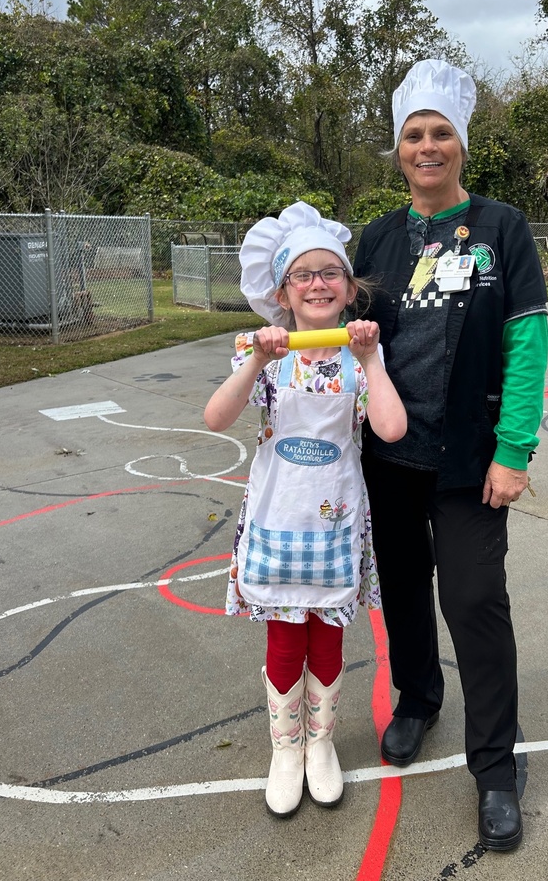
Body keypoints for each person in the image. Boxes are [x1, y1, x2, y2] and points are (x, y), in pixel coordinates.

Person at [353, 60, 548, 851]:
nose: (426, 147)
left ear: (461, 146)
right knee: (402, 589)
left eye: (440, 134)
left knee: (472, 600)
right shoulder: (374, 238)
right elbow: (342, 329)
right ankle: (418, 697)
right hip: (391, 458)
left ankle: (497, 768)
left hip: (471, 458)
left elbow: (527, 344)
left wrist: (515, 449)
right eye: (413, 135)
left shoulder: (502, 230)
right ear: (398, 150)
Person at [204, 201, 406, 819]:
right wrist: (261, 358)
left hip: (336, 525)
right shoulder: (262, 354)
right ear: (282, 290)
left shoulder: (356, 357)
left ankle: (322, 746)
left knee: (328, 639)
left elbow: (392, 430)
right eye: (303, 274)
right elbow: (216, 418)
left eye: (330, 273)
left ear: (349, 288)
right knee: (286, 639)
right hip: (277, 521)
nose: (317, 283)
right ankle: (284, 749)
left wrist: (372, 358)